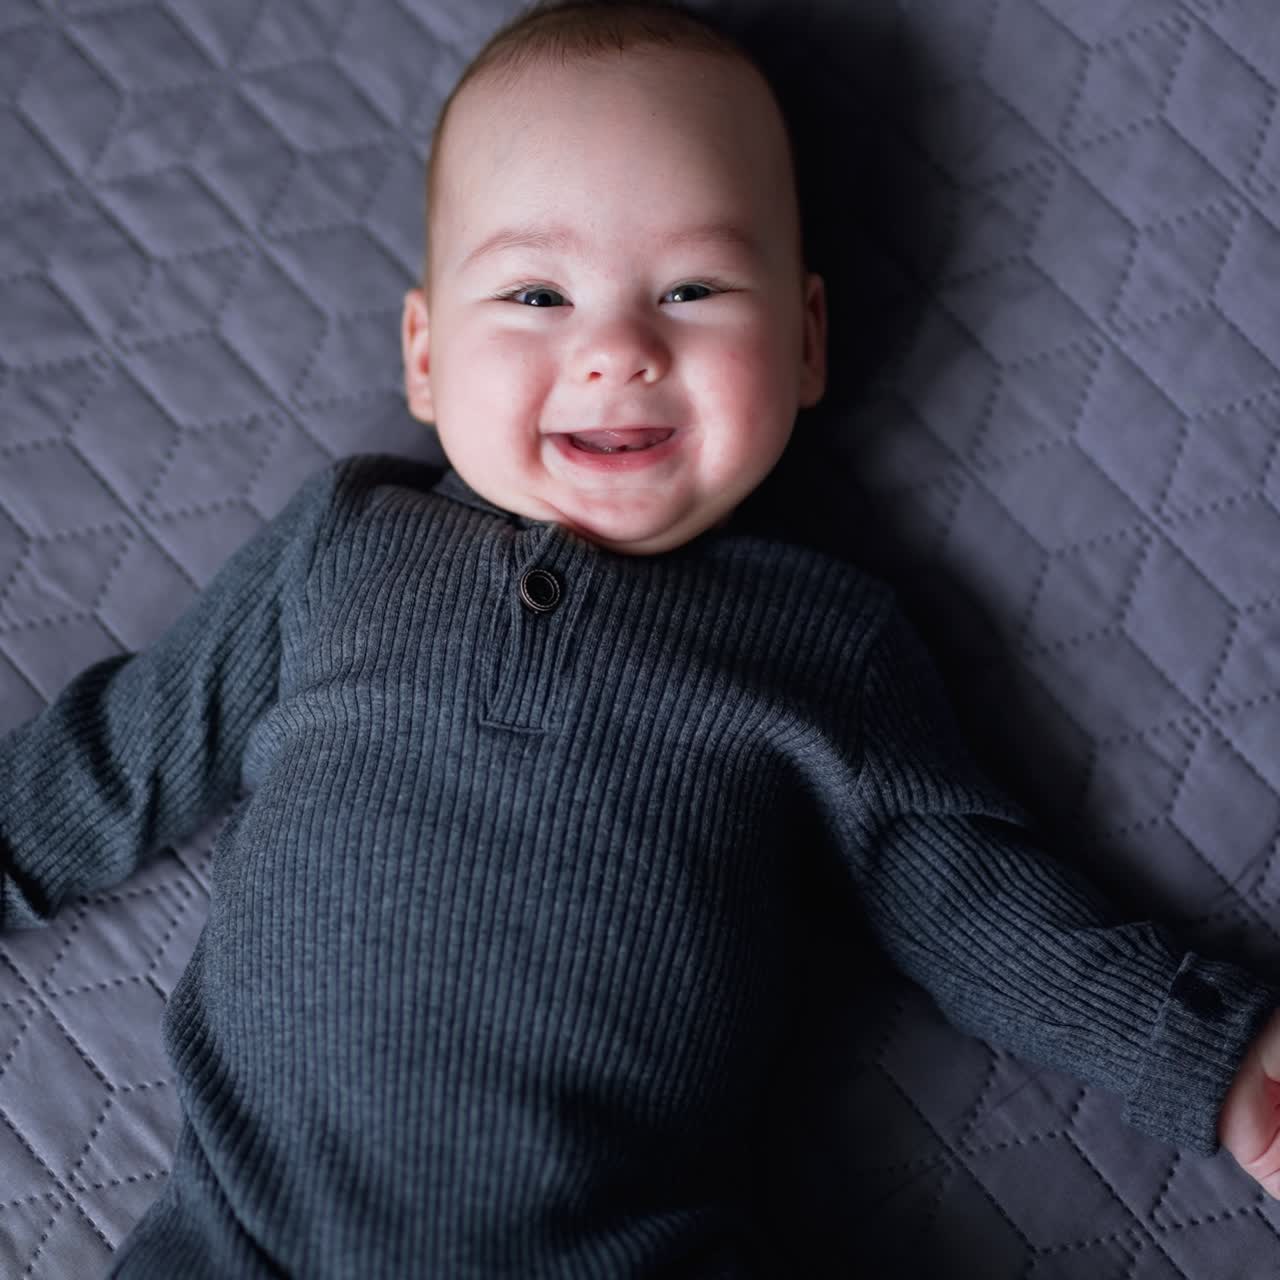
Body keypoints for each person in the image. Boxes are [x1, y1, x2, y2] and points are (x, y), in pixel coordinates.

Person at [2, 1, 1279, 1275]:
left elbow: (972, 901)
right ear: (428, 355)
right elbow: (123, 750)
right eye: (537, 291)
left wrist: (1201, 1051)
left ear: (806, 339)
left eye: (692, 287)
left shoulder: (821, 639)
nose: (617, 347)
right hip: (240, 1239)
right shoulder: (346, 542)